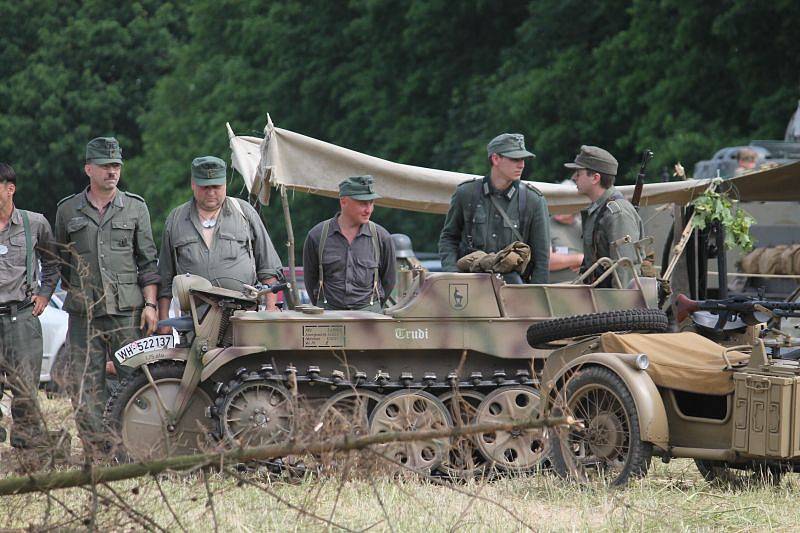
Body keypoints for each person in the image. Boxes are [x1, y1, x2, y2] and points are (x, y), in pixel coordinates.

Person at [55, 137, 160, 455]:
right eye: (105, 166)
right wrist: (80, 291)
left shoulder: (135, 207)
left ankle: (138, 446)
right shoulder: (67, 210)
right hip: (84, 312)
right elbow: (63, 263)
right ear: (89, 169)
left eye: (116, 166)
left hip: (126, 312)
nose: (112, 172)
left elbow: (148, 262)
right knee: (87, 384)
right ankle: (97, 452)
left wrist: (151, 304)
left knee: (135, 380)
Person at [158, 156, 282, 321]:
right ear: (193, 184)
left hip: (244, 317)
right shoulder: (176, 219)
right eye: (205, 187)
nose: (211, 192)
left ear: (225, 184)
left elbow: (268, 268)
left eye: (216, 186)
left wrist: (271, 309)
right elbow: (165, 277)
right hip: (194, 322)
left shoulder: (245, 213)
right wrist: (164, 319)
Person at [0, 163, 59, 451]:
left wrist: (46, 294)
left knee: (24, 390)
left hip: (21, 317)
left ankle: (27, 452)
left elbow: (52, 261)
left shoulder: (33, 223)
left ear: (10, 189)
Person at [438, 133, 550, 283]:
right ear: (496, 159)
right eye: (515, 159)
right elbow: (449, 238)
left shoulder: (533, 200)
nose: (521, 164)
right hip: (471, 285)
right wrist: (453, 276)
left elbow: (541, 259)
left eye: (523, 159)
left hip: (513, 290)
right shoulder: (466, 193)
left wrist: (535, 298)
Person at [303, 175, 396, 312]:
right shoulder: (317, 236)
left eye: (371, 203)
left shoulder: (381, 237)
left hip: (369, 317)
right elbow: (310, 280)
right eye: (362, 203)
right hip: (329, 316)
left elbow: (389, 281)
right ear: (344, 202)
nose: (368, 210)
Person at [566, 145, 644, 287]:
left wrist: (619, 308)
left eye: (578, 173)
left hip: (615, 303)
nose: (573, 178)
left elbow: (625, 270)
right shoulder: (598, 211)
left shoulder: (617, 213)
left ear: (595, 178)